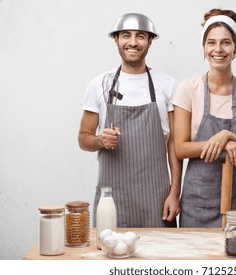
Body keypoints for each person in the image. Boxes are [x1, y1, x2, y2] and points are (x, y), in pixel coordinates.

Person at [78, 13, 182, 228]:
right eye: (126, 35)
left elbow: (174, 144)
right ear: (116, 39)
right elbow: (83, 138)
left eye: (141, 36)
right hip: (114, 198)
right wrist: (101, 141)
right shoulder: (99, 85)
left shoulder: (167, 84)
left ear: (150, 41)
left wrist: (174, 192)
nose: (133, 42)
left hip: (157, 198)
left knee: (161, 258)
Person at [172, 9, 236, 227]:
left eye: (226, 43)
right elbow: (180, 148)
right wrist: (224, 143)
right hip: (197, 202)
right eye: (211, 43)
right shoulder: (188, 89)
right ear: (204, 47)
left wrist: (226, 135)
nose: (218, 49)